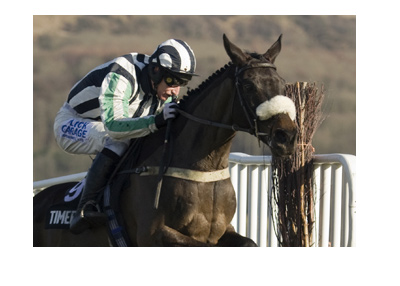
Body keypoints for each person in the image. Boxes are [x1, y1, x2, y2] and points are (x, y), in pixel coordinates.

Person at [53, 39, 197, 234]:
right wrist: (155, 121)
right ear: (155, 71)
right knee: (117, 140)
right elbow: (113, 126)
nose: (175, 90)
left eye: (182, 82)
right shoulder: (123, 73)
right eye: (172, 81)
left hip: (110, 125)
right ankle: (85, 208)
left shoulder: (164, 91)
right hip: (71, 122)